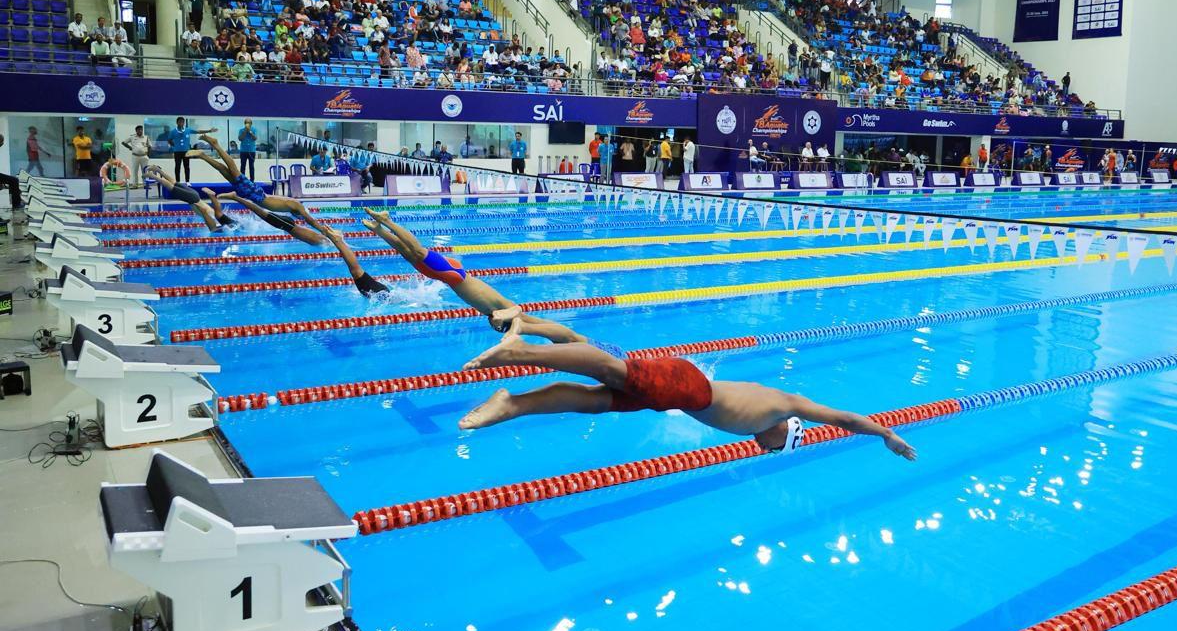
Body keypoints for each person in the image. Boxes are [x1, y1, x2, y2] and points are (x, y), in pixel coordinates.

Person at [458, 322, 917, 461]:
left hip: (681, 395)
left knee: (598, 401)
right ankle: (520, 351)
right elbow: (843, 418)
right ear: (787, 431)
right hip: (689, 386)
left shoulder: (767, 417)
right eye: (776, 447)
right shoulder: (786, 406)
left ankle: (512, 404)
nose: (766, 448)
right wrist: (886, 434)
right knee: (611, 368)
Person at [362, 208, 525, 326]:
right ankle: (387, 220)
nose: (495, 327)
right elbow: (519, 311)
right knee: (418, 251)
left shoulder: (492, 312)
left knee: (410, 256)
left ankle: (379, 230)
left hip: (447, 277)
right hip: (454, 273)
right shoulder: (504, 309)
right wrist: (506, 323)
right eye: (500, 328)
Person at [189, 134, 329, 244]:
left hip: (255, 195)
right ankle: (215, 144)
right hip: (257, 195)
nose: (302, 217)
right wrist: (324, 230)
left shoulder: (294, 206)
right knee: (233, 169)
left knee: (225, 172)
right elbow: (311, 221)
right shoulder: (298, 206)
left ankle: (203, 156)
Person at [141, 166, 231, 232]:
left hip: (196, 196)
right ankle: (153, 176)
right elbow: (212, 227)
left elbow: (217, 209)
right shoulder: (213, 221)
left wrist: (211, 197)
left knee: (175, 183)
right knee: (172, 188)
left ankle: (158, 170)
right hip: (193, 199)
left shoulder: (216, 214)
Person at [319, 225, 390, 297]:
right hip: (381, 294)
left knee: (356, 272)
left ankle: (338, 240)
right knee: (356, 272)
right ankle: (338, 240)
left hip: (382, 293)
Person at [168, 116, 216, 183]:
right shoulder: (173, 132)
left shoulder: (187, 130)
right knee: (177, 167)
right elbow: (169, 140)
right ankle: (177, 181)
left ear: (184, 123)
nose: (181, 123)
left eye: (182, 122)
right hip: (177, 152)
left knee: (187, 167)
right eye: (180, 122)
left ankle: (187, 181)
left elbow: (198, 131)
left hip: (186, 152)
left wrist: (209, 130)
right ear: (177, 123)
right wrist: (175, 146)